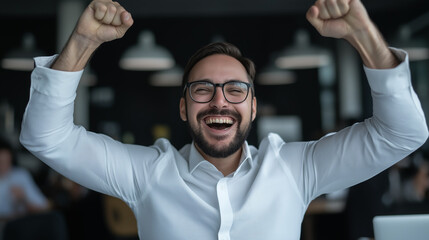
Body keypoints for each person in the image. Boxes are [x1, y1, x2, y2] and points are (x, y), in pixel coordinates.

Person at [19, 0, 428, 239]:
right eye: (202, 89)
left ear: (252, 107)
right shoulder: (146, 173)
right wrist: (83, 43)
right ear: (183, 107)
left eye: (235, 89)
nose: (219, 102)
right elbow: (46, 137)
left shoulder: (295, 168)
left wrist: (363, 36)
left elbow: (403, 132)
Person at [0, 138, 49, 221]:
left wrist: (23, 199)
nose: (3, 167)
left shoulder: (20, 175)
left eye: (6, 162)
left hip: (16, 226)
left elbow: (44, 207)